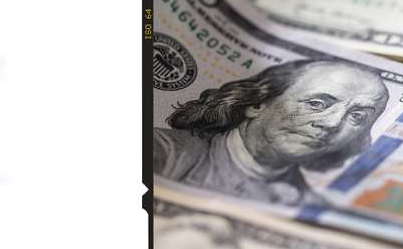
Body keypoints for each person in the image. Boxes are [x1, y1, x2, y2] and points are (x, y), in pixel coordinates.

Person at [153, 58, 389, 208]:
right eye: (317, 103)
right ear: (257, 103)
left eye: (357, 117)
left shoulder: (312, 207)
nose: (332, 123)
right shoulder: (161, 149)